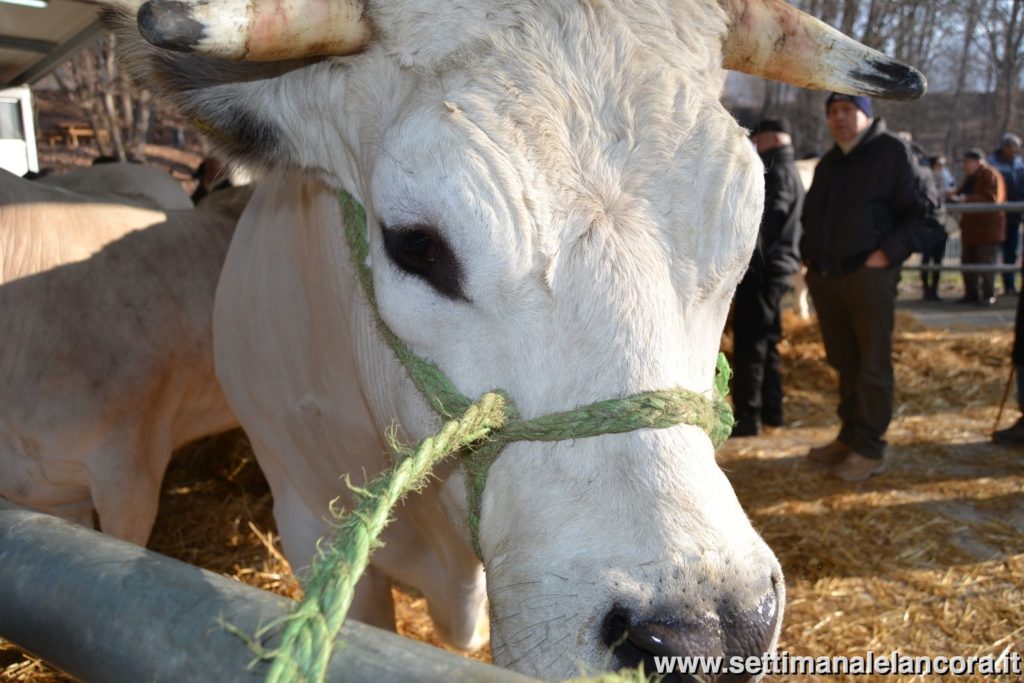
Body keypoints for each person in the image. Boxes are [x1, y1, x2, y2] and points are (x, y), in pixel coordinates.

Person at [800, 93, 943, 482]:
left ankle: (869, 447)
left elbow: (929, 216)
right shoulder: (831, 162)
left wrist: (885, 255)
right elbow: (812, 216)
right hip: (828, 278)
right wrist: (809, 257)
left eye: (848, 110)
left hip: (868, 276)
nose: (839, 118)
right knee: (844, 362)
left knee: (872, 364)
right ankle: (848, 435)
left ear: (866, 114)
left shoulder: (893, 153)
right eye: (832, 111)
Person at [731, 119, 804, 437]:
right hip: (779, 266)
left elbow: (768, 220)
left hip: (763, 269)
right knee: (767, 340)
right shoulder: (789, 171)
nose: (753, 147)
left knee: (751, 343)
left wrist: (741, 257)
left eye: (756, 140)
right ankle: (772, 411)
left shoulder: (774, 172)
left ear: (771, 139)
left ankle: (748, 417)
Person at [948, 149, 1006, 306]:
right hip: (970, 228)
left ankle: (988, 294)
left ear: (978, 162)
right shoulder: (971, 177)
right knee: (968, 262)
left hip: (987, 230)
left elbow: (992, 198)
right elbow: (960, 192)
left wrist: (966, 199)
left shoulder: (990, 175)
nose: (965, 166)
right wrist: (949, 196)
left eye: (967, 162)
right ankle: (971, 293)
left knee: (986, 263)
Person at [988, 133, 1024, 295]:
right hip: (996, 217)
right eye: (1013, 146)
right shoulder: (992, 164)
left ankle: (1009, 284)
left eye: (1017, 147)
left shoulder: (1019, 164)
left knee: (1011, 251)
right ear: (1005, 147)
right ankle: (990, 285)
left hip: (1014, 216)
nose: (1016, 150)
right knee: (993, 252)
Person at [920, 155, 954, 301]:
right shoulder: (925, 179)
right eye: (939, 164)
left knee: (938, 260)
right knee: (926, 259)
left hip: (942, 225)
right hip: (927, 225)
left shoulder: (947, 178)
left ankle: (934, 289)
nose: (942, 168)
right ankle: (926, 289)